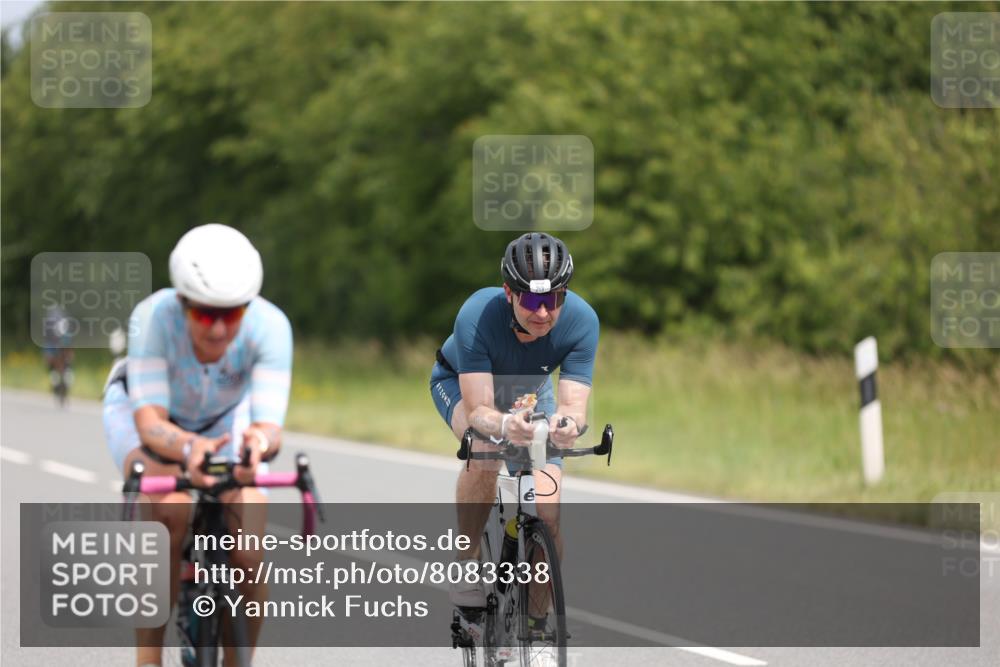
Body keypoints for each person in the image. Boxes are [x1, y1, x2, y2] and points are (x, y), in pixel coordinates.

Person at [103, 223, 292, 667]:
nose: (220, 329)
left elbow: (269, 426)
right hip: (148, 414)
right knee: (168, 510)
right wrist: (188, 450)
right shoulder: (153, 318)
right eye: (206, 314)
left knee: (248, 541)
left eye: (234, 314)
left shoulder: (270, 326)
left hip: (225, 418)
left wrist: (256, 446)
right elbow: (151, 423)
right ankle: (148, 657)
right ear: (182, 303)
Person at [429, 232, 599, 614]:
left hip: (529, 391)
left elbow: (573, 404)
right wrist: (505, 427)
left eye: (553, 299)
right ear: (509, 292)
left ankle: (538, 629)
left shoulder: (583, 321)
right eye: (532, 300)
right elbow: (479, 411)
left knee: (548, 516)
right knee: (485, 448)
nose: (543, 313)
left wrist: (566, 425)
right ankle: (467, 562)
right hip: (462, 385)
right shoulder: (476, 314)